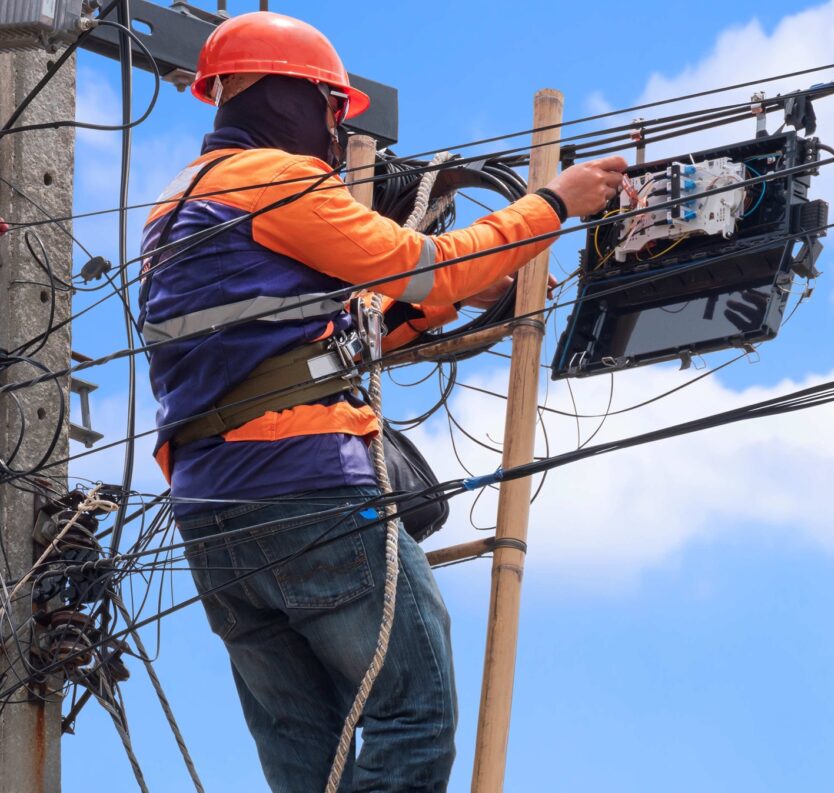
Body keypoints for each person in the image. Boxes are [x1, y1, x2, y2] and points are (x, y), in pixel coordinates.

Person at [138, 11, 625, 792]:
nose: (334, 132)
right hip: (308, 487)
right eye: (332, 109)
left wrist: (443, 308)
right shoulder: (276, 178)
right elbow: (424, 263)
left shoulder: (172, 209)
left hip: (212, 519)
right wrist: (555, 205)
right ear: (290, 97)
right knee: (415, 712)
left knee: (311, 758)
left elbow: (288, 344)